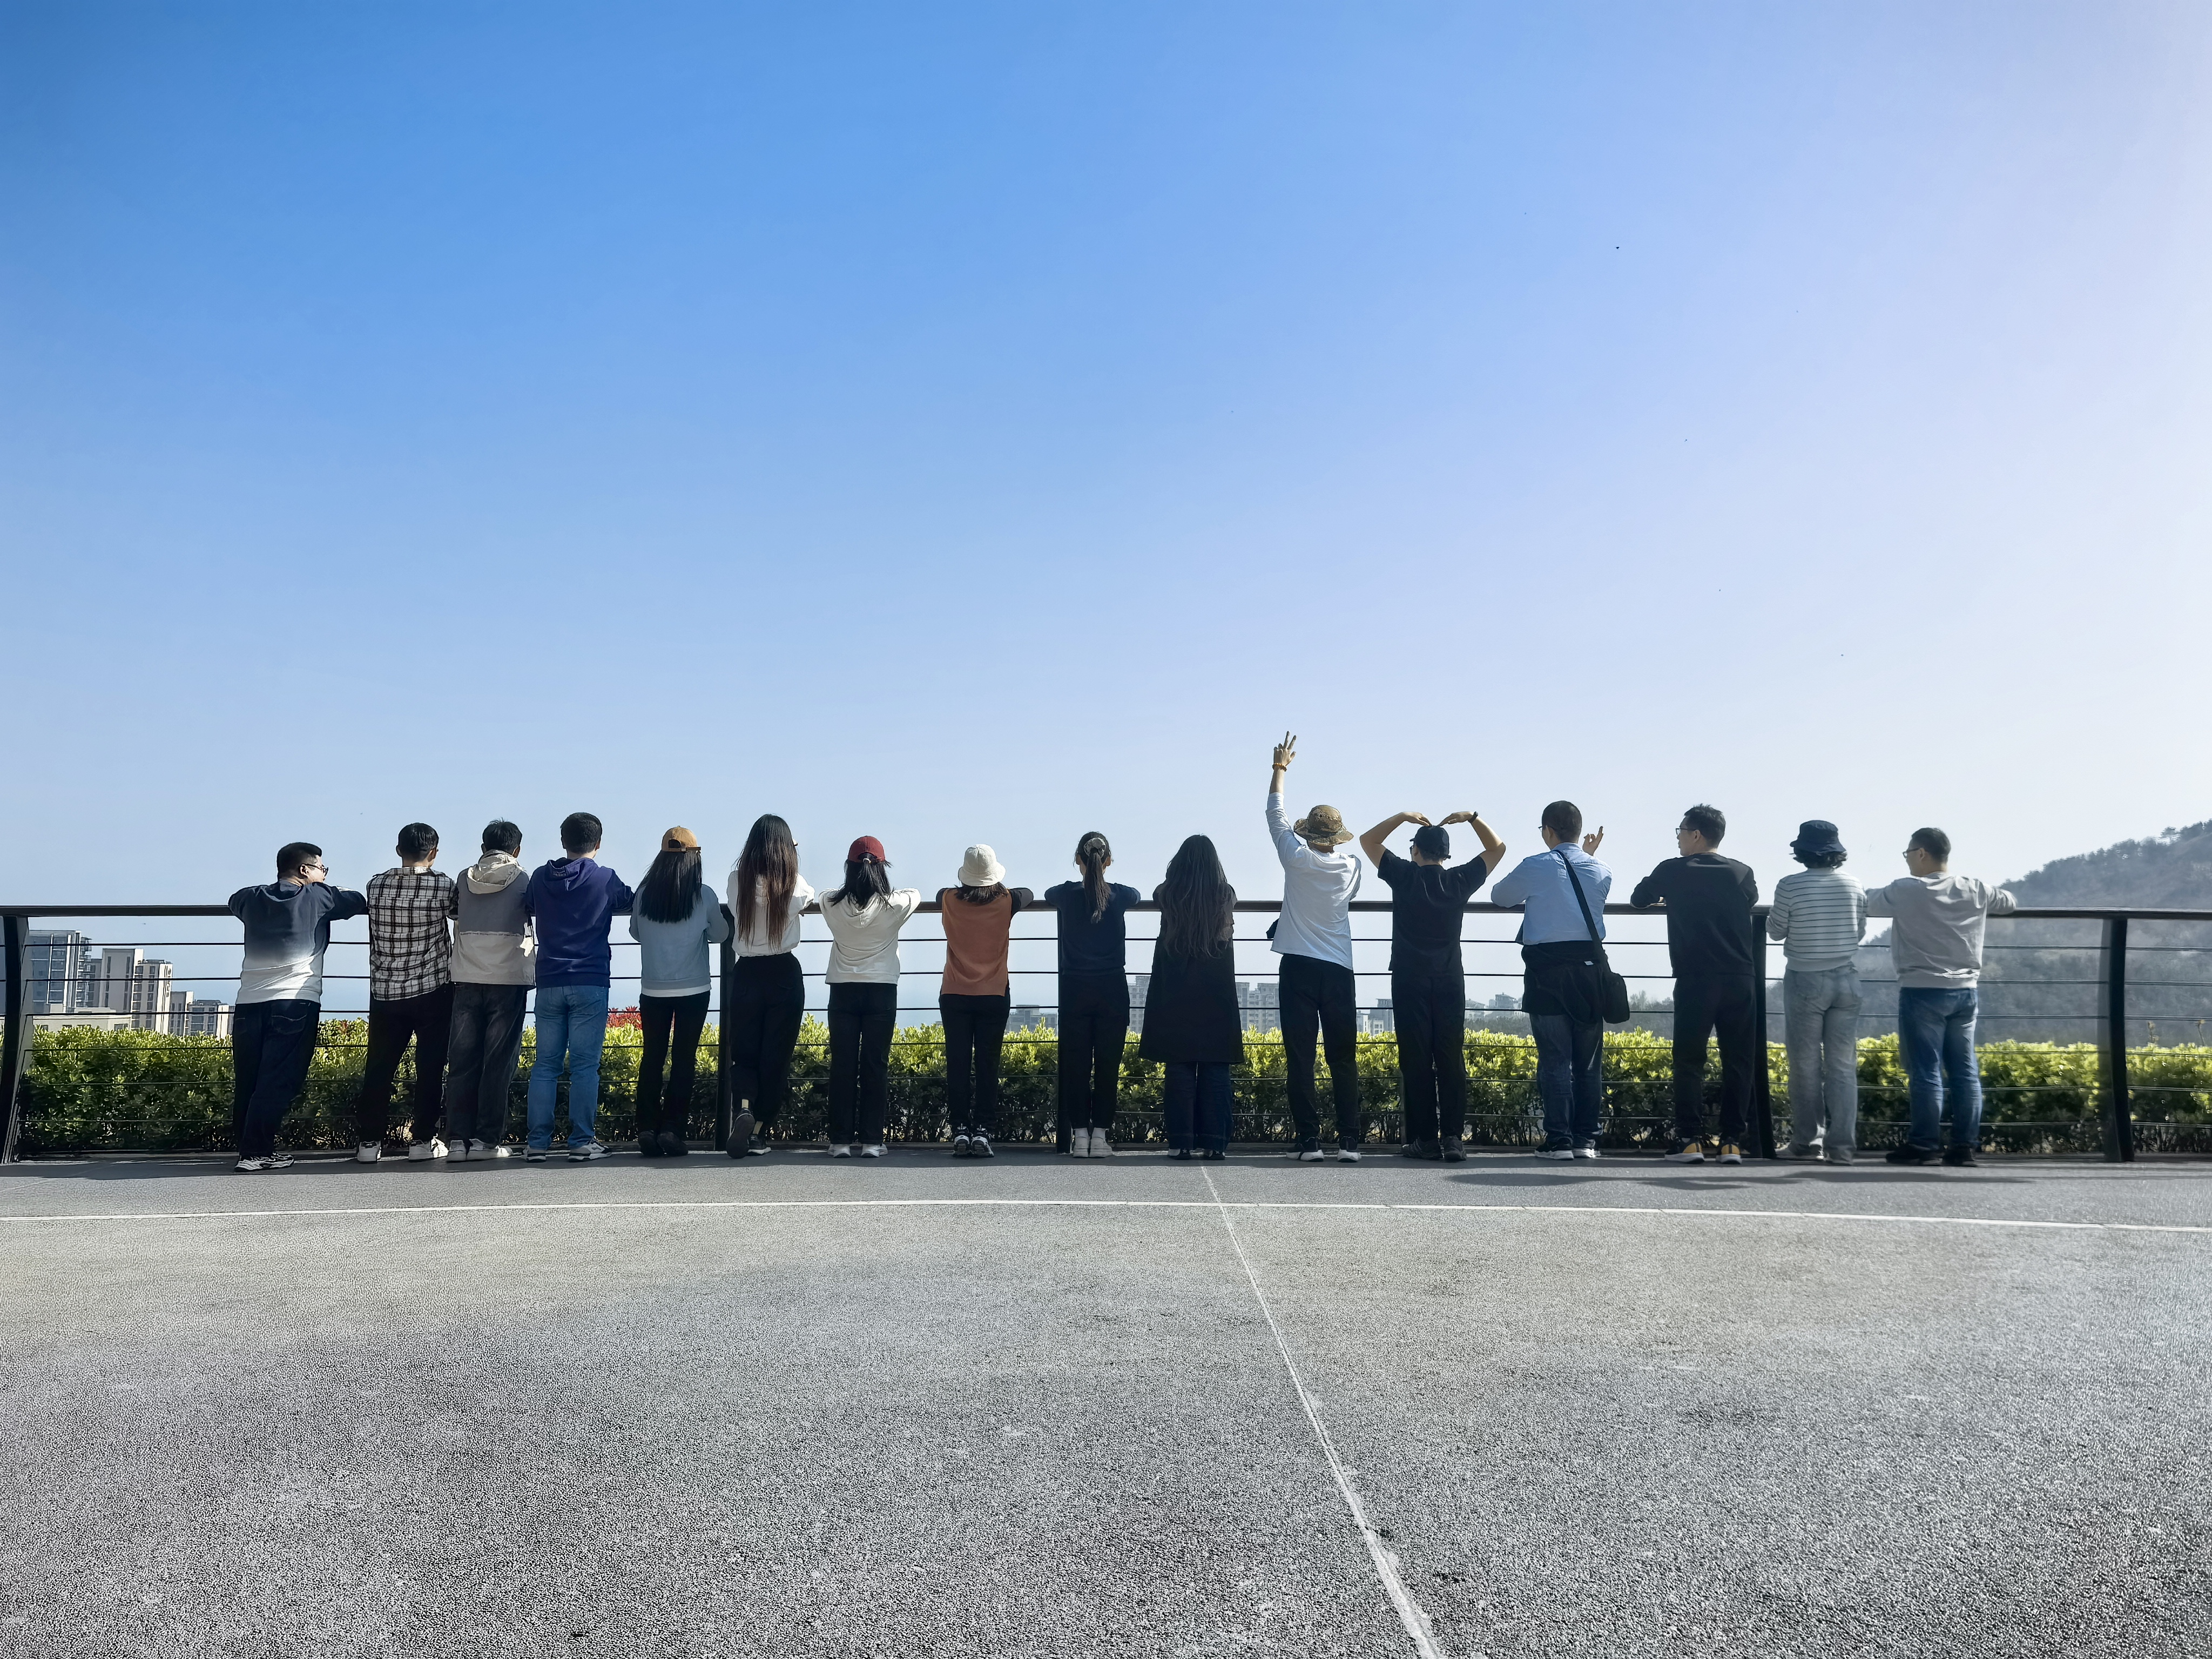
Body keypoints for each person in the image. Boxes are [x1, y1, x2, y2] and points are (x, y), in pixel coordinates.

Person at [1359, 806, 1507, 1162]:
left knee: (1416, 1059)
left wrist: (1401, 817)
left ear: (1415, 851)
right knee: (1451, 1057)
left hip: (1409, 978)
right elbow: (1498, 849)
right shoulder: (1459, 880)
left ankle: (1425, 1139)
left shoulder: (1403, 876)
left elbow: (1368, 841)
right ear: (1446, 854)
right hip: (1449, 979)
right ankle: (1453, 1138)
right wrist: (1472, 818)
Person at [1867, 828, 2017, 1166]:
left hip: (1921, 990)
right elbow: (2009, 902)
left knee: (1926, 1071)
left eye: (1908, 853)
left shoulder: (1905, 890)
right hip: (1965, 991)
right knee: (1964, 1071)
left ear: (1921, 853)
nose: (1907, 860)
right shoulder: (1975, 888)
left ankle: (1924, 1145)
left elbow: (1863, 901)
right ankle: (1964, 1147)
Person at [1629, 805, 1761, 1166]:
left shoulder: (1673, 870)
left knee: (1689, 1061)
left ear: (1696, 835)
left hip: (1696, 978)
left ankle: (1689, 1141)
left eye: (1680, 832)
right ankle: (1732, 1143)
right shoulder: (1742, 872)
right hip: (1740, 977)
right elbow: (1749, 900)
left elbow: (1638, 899)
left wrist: (1669, 896)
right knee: (1739, 1061)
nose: (1678, 839)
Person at [227, 843, 368, 1171]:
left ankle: (247, 1147)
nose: (324, 875)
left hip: (248, 1003)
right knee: (279, 1079)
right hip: (295, 1001)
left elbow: (234, 901)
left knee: (249, 1079)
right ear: (305, 870)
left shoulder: (251, 897)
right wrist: (329, 887)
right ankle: (255, 1153)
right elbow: (357, 901)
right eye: (322, 869)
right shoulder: (319, 896)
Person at [1491, 802, 1612, 1161]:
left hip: (1547, 973)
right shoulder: (1602, 870)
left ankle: (1559, 1140)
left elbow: (1500, 897)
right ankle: (1586, 1140)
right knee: (1588, 1063)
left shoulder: (1537, 865)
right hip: (1590, 973)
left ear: (1547, 831)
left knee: (1555, 1060)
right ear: (1579, 830)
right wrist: (1587, 856)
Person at [1264, 734, 1365, 1163]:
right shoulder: (1353, 866)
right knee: (1343, 1058)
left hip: (1299, 969)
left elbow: (1275, 814)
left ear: (1308, 835)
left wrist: (1280, 769)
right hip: (1339, 969)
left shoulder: (1296, 858)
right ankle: (1350, 1142)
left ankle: (1309, 1142)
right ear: (1339, 838)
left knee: (1301, 1058)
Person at [524, 812, 634, 1162]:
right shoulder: (605, 878)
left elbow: (527, 905)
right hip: (590, 979)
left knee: (545, 1066)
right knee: (585, 1067)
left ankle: (537, 1144)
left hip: (549, 981)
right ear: (598, 844)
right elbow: (630, 899)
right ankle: (581, 1142)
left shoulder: (540, 877)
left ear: (563, 841)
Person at [353, 823, 459, 1165]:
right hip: (433, 989)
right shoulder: (444, 885)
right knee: (430, 1067)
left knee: (380, 1068)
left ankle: (369, 1143)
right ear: (434, 852)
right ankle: (422, 1141)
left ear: (399, 850)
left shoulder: (376, 885)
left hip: (385, 990)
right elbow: (458, 913)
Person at [629, 828, 735, 1159]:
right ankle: (672, 1130)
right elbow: (721, 934)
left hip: (653, 989)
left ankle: (647, 1128)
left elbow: (636, 932)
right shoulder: (704, 896)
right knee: (684, 1059)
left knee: (652, 1058)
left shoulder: (644, 895)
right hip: (694, 989)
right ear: (694, 858)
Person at [1767, 820, 1867, 1164]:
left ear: (1801, 851)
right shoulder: (1854, 884)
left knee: (1805, 1065)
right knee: (1843, 1067)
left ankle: (1808, 1143)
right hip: (1847, 980)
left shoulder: (1790, 885)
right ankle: (1842, 1149)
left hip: (1806, 980)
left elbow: (1776, 931)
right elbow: (1859, 931)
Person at [1139, 834, 1244, 1159]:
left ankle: (1180, 1142)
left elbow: (1159, 893)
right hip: (1216, 991)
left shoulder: (1167, 893)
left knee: (1179, 1066)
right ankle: (1215, 1144)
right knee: (1216, 1067)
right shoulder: (1226, 894)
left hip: (1175, 990)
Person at [819, 836, 921, 1158]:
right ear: (882, 868)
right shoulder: (895, 906)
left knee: (843, 1065)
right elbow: (915, 894)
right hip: (881, 990)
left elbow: (823, 894)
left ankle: (840, 1142)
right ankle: (873, 1142)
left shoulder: (831, 904)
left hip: (842, 989)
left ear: (849, 868)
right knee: (876, 1065)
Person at [442, 819, 535, 1161]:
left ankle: (457, 1141)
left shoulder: (464, 878)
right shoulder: (524, 879)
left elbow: (455, 913)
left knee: (462, 1061)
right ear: (517, 849)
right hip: (508, 977)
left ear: (483, 848)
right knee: (498, 1063)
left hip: (467, 975)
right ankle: (485, 1142)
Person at [1047, 832, 1142, 1158]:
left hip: (1074, 989)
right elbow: (1137, 895)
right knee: (1107, 1065)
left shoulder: (1065, 895)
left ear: (1078, 860)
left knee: (1076, 1065)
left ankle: (1080, 1137)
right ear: (1109, 860)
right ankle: (1100, 1136)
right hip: (1112, 988)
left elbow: (1048, 893)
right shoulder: (1121, 896)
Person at [938, 845, 1034, 1159]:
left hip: (954, 992)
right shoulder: (1007, 901)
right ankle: (983, 1129)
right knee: (988, 1065)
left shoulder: (948, 900)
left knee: (958, 1064)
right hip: (994, 993)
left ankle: (959, 1129)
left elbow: (940, 893)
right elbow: (1028, 893)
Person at [725, 814, 812, 1157]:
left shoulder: (737, 880)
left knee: (744, 1053)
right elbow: (806, 897)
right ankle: (758, 1133)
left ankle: (744, 1107)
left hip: (746, 973)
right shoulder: (794, 884)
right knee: (776, 1057)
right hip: (783, 973)